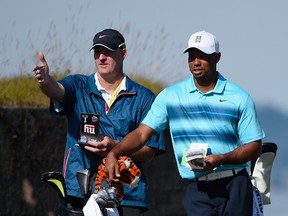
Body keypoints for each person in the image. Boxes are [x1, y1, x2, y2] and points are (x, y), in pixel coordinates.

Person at [104, 31, 265, 216]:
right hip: (198, 189)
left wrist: (222, 159)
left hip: (235, 185)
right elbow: (141, 134)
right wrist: (114, 153)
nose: (196, 62)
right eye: (192, 57)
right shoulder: (170, 96)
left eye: (203, 57)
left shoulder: (239, 97)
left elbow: (254, 146)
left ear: (217, 57)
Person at [33, 28, 165, 216]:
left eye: (108, 51)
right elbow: (57, 90)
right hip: (78, 191)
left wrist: (115, 147)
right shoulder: (78, 85)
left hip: (126, 194)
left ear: (123, 53)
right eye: (97, 52)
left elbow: (149, 152)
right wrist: (45, 81)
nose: (101, 57)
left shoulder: (145, 98)